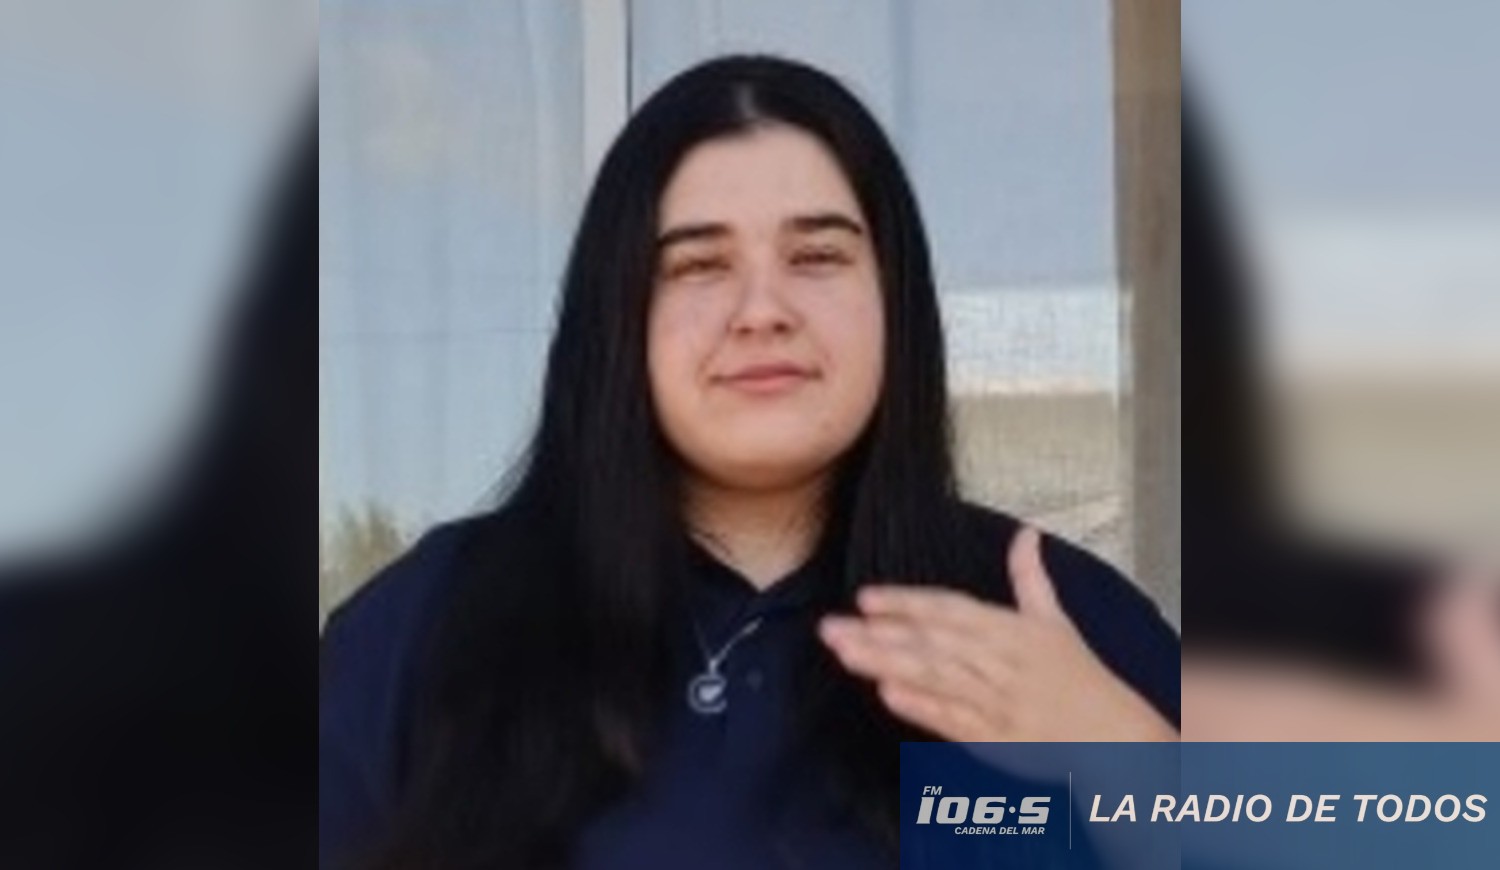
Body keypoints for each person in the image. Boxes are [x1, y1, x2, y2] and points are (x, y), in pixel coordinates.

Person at [319, 55, 1179, 870]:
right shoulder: (425, 629)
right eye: (698, 265)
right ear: (616, 316)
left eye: (818, 257)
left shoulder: (1053, 627)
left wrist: (1124, 765)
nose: (762, 310)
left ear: (895, 299)